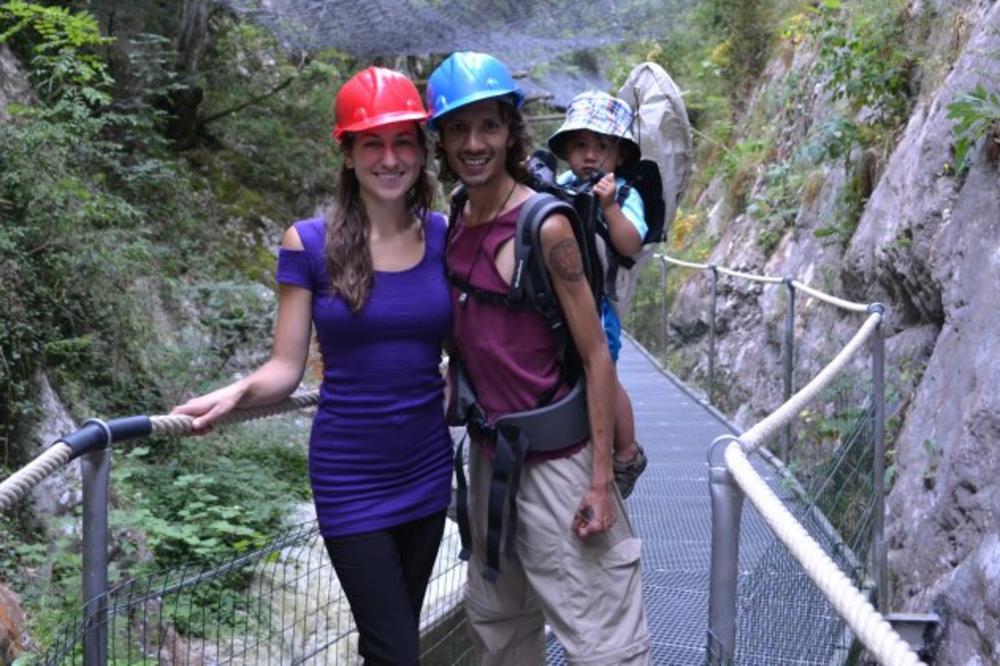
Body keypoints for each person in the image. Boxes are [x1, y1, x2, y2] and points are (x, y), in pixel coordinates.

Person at [171, 66, 452, 666]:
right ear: (347, 154)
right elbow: (286, 365)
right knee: (397, 651)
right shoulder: (309, 243)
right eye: (372, 143)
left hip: (426, 468)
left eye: (403, 141)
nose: (390, 158)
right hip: (351, 476)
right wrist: (237, 393)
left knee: (392, 638)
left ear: (421, 151)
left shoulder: (444, 238)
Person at [427, 51, 650, 665]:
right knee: (499, 631)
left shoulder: (544, 226)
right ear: (441, 140)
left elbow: (596, 354)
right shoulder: (456, 220)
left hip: (560, 464)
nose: (474, 143)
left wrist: (602, 480)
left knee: (605, 647)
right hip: (488, 461)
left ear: (510, 131)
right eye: (458, 128)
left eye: (488, 126)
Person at [547, 90, 649, 499]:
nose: (590, 155)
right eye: (580, 145)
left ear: (620, 154)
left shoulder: (623, 194)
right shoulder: (560, 187)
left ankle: (626, 451)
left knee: (604, 373)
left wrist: (609, 208)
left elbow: (630, 243)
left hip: (600, 305)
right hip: (561, 300)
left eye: (601, 145)